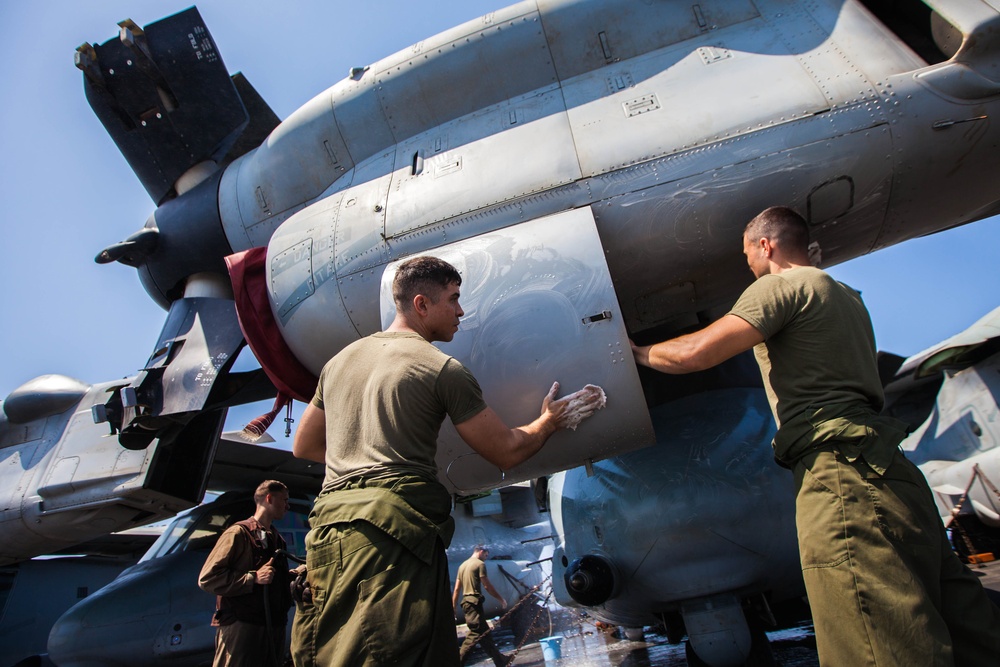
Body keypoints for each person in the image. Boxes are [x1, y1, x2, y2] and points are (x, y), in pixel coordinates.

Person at [631, 206, 1000, 666]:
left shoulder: (780, 286)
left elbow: (695, 353)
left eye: (747, 253)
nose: (747, 263)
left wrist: (636, 352)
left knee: (873, 633)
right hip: (895, 471)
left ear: (765, 245)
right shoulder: (846, 295)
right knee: (960, 620)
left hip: (841, 474)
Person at [290, 255, 605, 667]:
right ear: (422, 304)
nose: (460, 311)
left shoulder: (338, 363)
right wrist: (549, 421)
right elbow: (506, 450)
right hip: (392, 536)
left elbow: (305, 446)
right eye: (453, 299)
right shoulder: (440, 369)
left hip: (329, 530)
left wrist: (363, 453)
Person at [198, 480, 293, 667]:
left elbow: (273, 581)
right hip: (243, 626)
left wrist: (293, 576)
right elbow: (207, 579)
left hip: (272, 628)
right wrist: (253, 578)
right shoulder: (238, 533)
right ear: (269, 498)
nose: (287, 506)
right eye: (284, 500)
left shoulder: (277, 539)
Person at [452, 545, 509, 666]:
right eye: (486, 555)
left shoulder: (462, 566)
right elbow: (487, 586)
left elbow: (457, 589)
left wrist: (453, 608)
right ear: (481, 552)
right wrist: (501, 599)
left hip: (467, 604)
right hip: (474, 604)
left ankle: (500, 661)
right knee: (475, 634)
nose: (485, 558)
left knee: (485, 634)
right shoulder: (479, 564)